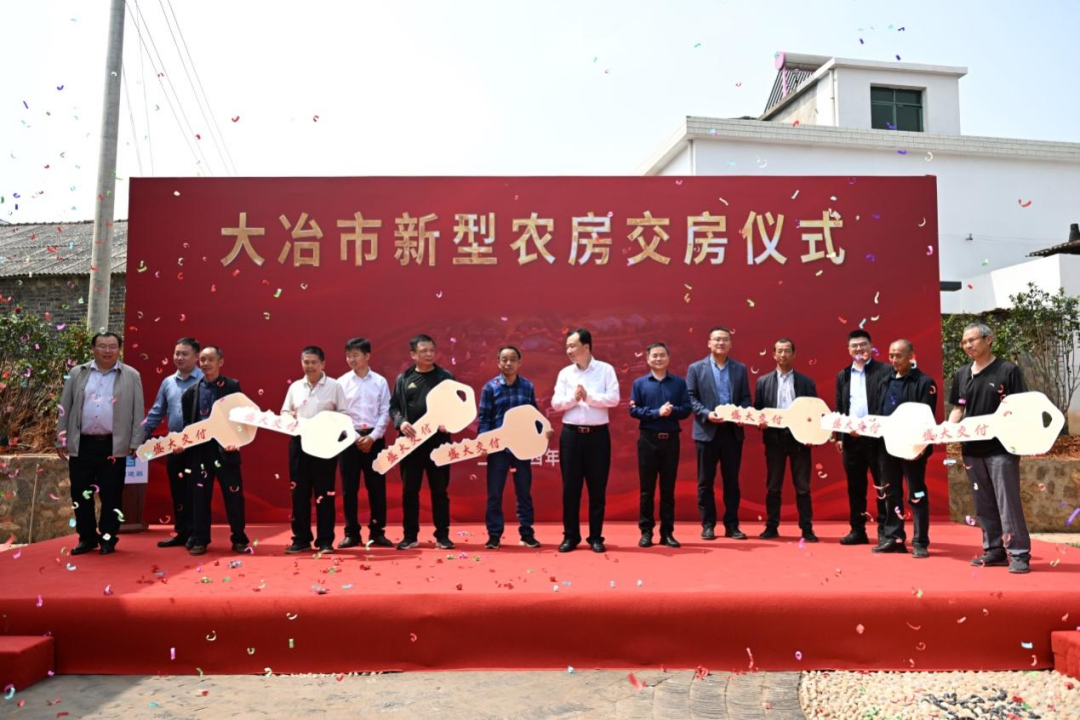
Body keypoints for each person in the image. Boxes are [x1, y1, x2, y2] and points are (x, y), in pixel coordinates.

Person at [948, 322, 1032, 574]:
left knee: (1008, 502)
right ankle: (994, 550)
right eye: (964, 342)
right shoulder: (962, 374)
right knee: (983, 503)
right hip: (971, 450)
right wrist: (948, 430)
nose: (968, 345)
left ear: (989, 339)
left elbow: (1019, 407)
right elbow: (958, 409)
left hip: (1001, 448)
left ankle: (1018, 553)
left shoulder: (1008, 370)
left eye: (972, 340)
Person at [56, 332, 144, 555]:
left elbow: (138, 411)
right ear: (93, 348)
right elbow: (65, 406)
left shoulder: (131, 375)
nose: (107, 350)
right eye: (102, 346)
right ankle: (87, 538)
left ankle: (108, 538)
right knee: (79, 493)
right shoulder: (78, 373)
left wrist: (136, 440)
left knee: (112, 494)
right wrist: (61, 437)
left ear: (119, 349)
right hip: (82, 444)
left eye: (112, 346)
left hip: (113, 445)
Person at [551, 328, 620, 553]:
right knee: (570, 489)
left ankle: (595, 537)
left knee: (597, 489)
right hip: (571, 436)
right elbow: (556, 403)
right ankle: (570, 536)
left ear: (586, 346)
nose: (569, 350)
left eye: (572, 345)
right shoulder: (565, 373)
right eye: (567, 346)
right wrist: (574, 399)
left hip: (597, 436)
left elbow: (613, 399)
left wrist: (588, 397)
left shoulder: (605, 370)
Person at [478, 345, 551, 550]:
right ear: (498, 362)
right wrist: (483, 442)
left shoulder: (527, 386)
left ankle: (527, 534)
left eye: (512, 359)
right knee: (494, 493)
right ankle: (494, 535)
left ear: (520, 362)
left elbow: (534, 415)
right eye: (504, 359)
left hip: (522, 447)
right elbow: (484, 419)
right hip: (498, 449)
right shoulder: (490, 387)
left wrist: (543, 432)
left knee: (524, 492)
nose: (508, 363)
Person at [179, 345, 250, 556]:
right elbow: (188, 425)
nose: (206, 364)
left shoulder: (232, 386)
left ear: (221, 362)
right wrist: (183, 442)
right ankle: (200, 539)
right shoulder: (191, 392)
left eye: (211, 359)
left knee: (234, 496)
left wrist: (236, 440)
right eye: (203, 360)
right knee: (199, 496)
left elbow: (242, 419)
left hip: (226, 450)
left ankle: (239, 538)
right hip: (199, 452)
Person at [389, 334, 456, 550]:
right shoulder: (403, 379)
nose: (429, 354)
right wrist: (401, 422)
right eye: (423, 351)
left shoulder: (446, 377)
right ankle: (410, 536)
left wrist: (449, 422)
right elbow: (394, 407)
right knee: (410, 491)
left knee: (440, 491)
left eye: (431, 350)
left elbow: (456, 406)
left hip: (439, 444)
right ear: (413, 354)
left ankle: (442, 536)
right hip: (411, 445)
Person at [686, 326, 752, 541]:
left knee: (731, 481)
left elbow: (745, 398)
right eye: (716, 339)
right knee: (705, 482)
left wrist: (742, 414)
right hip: (707, 432)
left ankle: (732, 525)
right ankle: (708, 525)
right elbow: (691, 398)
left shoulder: (740, 369)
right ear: (709, 343)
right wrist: (707, 414)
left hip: (732, 433)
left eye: (725, 339)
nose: (721, 343)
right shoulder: (696, 368)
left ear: (730, 344)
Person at [872, 339, 936, 558]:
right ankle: (894, 538)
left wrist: (921, 447)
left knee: (917, 493)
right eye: (891, 355)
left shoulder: (924, 382)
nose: (894, 360)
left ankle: (920, 541)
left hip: (913, 448)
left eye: (898, 355)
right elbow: (878, 413)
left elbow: (926, 418)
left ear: (911, 356)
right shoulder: (885, 381)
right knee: (891, 492)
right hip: (887, 447)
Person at [137, 337, 203, 549]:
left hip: (199, 447)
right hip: (174, 447)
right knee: (178, 491)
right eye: (177, 353)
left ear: (196, 357)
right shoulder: (168, 382)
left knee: (197, 491)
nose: (179, 357)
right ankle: (181, 532)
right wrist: (140, 438)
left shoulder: (204, 381)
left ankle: (197, 535)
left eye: (185, 354)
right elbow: (157, 412)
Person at [281, 345, 348, 554]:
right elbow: (285, 411)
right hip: (299, 445)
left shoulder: (334, 386)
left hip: (324, 446)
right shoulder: (295, 387)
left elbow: (344, 415)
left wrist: (328, 426)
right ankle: (301, 539)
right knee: (299, 493)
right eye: (306, 362)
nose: (309, 366)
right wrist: (289, 418)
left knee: (325, 494)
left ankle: (325, 541)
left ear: (322, 364)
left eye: (313, 362)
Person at [753, 338, 819, 542]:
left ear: (794, 354)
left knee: (803, 487)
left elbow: (814, 412)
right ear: (774, 355)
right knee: (773, 486)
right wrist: (759, 422)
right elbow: (758, 410)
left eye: (787, 351)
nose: (783, 355)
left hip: (800, 439)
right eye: (779, 351)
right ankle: (771, 526)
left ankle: (807, 528)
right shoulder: (763, 382)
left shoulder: (806, 382)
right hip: (774, 439)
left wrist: (811, 435)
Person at [629, 342, 691, 548]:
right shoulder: (639, 383)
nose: (658, 359)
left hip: (670, 440)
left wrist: (672, 411)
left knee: (668, 489)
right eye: (654, 356)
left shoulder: (679, 383)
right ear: (647, 360)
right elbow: (633, 410)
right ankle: (646, 532)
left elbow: (687, 409)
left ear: (668, 358)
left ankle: (667, 533)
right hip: (648, 440)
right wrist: (657, 413)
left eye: (662, 355)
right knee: (646, 490)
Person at [834, 329, 891, 545]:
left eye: (863, 344)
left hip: (878, 438)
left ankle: (885, 530)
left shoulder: (885, 371)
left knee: (882, 485)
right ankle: (857, 530)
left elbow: (890, 403)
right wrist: (840, 436)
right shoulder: (843, 375)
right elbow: (841, 406)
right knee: (855, 486)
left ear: (871, 346)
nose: (859, 349)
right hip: (851, 439)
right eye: (854, 346)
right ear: (848, 349)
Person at [336, 337, 393, 549]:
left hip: (374, 439)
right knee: (349, 489)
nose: (351, 359)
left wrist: (373, 436)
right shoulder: (341, 382)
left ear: (367, 356)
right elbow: (339, 413)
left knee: (377, 488)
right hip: (348, 439)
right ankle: (351, 533)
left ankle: (377, 532)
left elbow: (386, 411)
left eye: (355, 355)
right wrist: (353, 436)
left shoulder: (380, 382)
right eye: (348, 355)